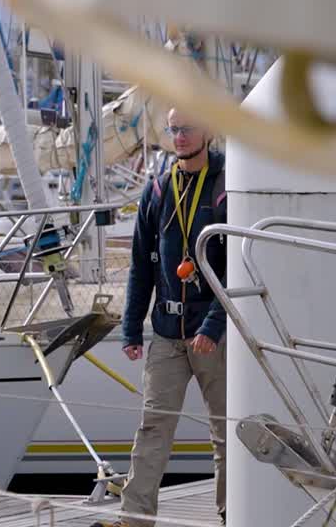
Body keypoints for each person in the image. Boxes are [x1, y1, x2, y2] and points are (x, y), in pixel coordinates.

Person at [118, 109, 228, 526]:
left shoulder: (226, 187)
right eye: (173, 129)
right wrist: (132, 329)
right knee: (153, 428)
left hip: (212, 335)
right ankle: (135, 519)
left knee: (224, 432)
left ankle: (229, 513)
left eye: (187, 128)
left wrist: (213, 327)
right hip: (167, 330)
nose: (179, 137)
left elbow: (237, 269)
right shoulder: (158, 189)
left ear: (209, 131)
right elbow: (139, 267)